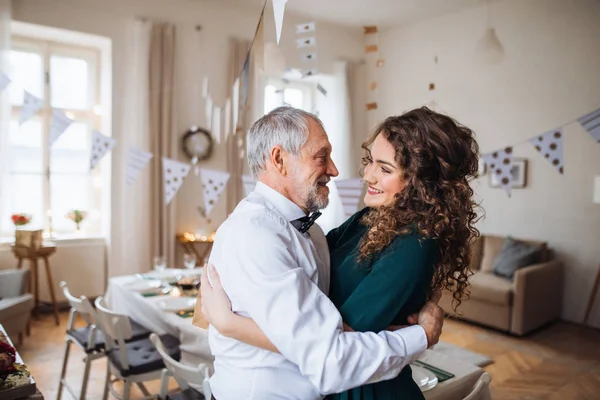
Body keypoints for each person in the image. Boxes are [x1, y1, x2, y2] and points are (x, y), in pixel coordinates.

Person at [200, 106, 448, 400]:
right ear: (279, 160)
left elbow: (324, 332)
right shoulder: (255, 234)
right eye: (321, 156)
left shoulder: (312, 232)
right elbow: (329, 358)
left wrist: (231, 324)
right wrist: (420, 336)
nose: (335, 170)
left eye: (384, 167)